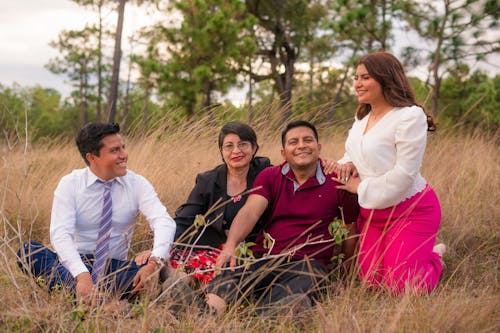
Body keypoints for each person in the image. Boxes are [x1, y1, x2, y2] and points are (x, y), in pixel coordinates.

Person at [204, 120, 360, 315]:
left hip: (310, 263)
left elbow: (350, 230)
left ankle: (265, 316)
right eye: (293, 142)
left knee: (300, 284)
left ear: (319, 148)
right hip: (269, 257)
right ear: (283, 153)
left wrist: (345, 278)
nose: (301, 145)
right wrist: (231, 244)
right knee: (232, 276)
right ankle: (206, 313)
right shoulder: (270, 176)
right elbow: (250, 211)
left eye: (308, 140)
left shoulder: (337, 180)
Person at [17, 122, 176, 305]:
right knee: (29, 252)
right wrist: (82, 275)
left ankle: (84, 297)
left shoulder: (137, 183)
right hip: (73, 264)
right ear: (92, 157)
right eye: (115, 150)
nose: (124, 155)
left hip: (113, 267)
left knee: (145, 272)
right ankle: (100, 300)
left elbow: (163, 221)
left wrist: (153, 264)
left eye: (123, 147)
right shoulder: (70, 184)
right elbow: (61, 235)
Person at [333, 51, 445, 295]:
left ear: (385, 79)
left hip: (411, 209)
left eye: (365, 78)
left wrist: (358, 188)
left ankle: (435, 259)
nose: (357, 84)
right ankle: (415, 255)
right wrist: (346, 163)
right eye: (356, 77)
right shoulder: (362, 117)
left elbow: (404, 174)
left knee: (401, 286)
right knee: (372, 282)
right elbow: (354, 150)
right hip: (372, 213)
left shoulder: (408, 116)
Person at [136, 121, 271, 285]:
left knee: (231, 272)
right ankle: (178, 284)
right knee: (170, 258)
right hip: (211, 246)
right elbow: (185, 219)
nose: (236, 151)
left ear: (254, 147)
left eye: (243, 144)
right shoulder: (208, 180)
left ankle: (192, 286)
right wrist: (158, 248)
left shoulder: (267, 175)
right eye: (229, 146)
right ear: (221, 151)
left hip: (249, 249)